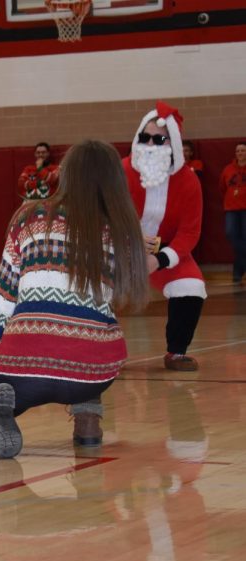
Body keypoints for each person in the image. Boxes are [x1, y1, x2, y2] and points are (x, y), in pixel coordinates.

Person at [0, 140, 150, 459]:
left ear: (65, 175)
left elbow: (1, 305)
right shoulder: (124, 229)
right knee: (95, 330)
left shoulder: (29, 217)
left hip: (27, 365)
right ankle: (88, 420)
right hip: (97, 369)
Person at [123, 101, 205, 371]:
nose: (149, 144)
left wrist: (159, 259)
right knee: (91, 286)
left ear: (173, 144)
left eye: (158, 139)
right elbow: (103, 214)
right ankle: (101, 353)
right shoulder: (121, 172)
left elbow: (190, 232)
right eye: (143, 137)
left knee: (192, 287)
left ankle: (176, 352)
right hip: (119, 248)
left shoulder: (189, 181)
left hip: (165, 254)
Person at [221, 141, 246, 283]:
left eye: (243, 150)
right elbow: (222, 187)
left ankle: (237, 273)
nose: (240, 153)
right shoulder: (228, 169)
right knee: (231, 234)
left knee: (244, 239)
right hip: (231, 208)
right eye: (238, 151)